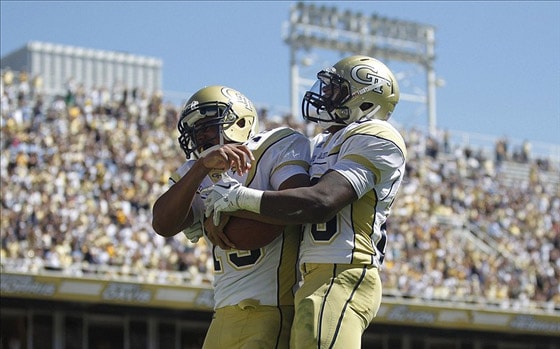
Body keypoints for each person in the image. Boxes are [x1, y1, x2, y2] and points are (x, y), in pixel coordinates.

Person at [204, 55, 407, 348]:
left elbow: (321, 201)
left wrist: (238, 198)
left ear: (365, 100)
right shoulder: (322, 143)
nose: (323, 95)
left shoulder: (378, 135)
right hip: (313, 272)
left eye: (335, 90)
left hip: (344, 267)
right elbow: (290, 202)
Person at [151, 85, 310, 349]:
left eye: (207, 125)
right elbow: (162, 224)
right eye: (195, 129)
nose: (199, 135)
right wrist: (200, 168)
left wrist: (235, 205)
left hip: (269, 307)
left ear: (238, 120)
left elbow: (296, 205)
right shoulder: (195, 171)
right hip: (223, 310)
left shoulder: (275, 146)